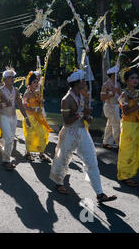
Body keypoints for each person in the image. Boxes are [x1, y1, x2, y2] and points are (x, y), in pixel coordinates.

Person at [49, 69, 117, 203]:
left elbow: (84, 116)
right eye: (83, 80)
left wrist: (88, 116)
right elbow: (67, 121)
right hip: (69, 133)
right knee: (63, 158)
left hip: (82, 132)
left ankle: (100, 193)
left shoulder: (81, 96)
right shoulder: (66, 99)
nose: (85, 82)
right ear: (77, 83)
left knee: (92, 161)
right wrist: (82, 113)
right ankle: (59, 183)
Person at [117, 69, 139, 186]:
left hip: (138, 124)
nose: (135, 80)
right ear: (126, 81)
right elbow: (125, 112)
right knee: (128, 151)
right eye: (132, 78)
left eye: (136, 78)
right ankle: (125, 175)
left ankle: (130, 170)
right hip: (128, 125)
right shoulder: (123, 94)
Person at [0, 69, 31, 170]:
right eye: (10, 77)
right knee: (9, 138)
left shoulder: (16, 90)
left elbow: (20, 105)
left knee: (10, 139)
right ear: (5, 79)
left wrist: (26, 117)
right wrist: (4, 104)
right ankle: (6, 161)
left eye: (13, 77)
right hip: (3, 117)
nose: (13, 79)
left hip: (13, 118)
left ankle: (4, 151)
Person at [22, 71, 52, 163]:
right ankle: (28, 153)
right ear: (30, 83)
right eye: (34, 82)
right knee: (30, 135)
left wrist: (41, 102)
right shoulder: (27, 93)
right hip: (30, 118)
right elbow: (24, 106)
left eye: (36, 82)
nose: (36, 84)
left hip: (39, 117)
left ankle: (41, 153)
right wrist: (35, 110)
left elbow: (40, 104)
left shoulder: (38, 92)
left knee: (43, 133)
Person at [101, 65, 122, 150]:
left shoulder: (118, 84)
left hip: (116, 106)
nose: (119, 75)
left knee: (110, 125)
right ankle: (120, 144)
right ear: (113, 75)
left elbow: (120, 95)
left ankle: (106, 142)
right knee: (116, 125)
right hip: (109, 107)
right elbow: (102, 98)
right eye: (117, 74)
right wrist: (111, 94)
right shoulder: (106, 84)